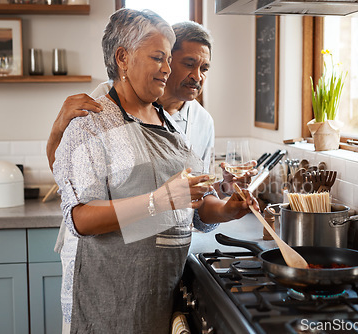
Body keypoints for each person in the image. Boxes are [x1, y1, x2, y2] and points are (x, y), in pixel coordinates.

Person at [52, 8, 258, 334]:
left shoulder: (170, 123)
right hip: (111, 294)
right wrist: (159, 199)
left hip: (160, 292)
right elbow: (80, 218)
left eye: (168, 59)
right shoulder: (93, 116)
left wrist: (230, 208)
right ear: (123, 58)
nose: (168, 68)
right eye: (159, 58)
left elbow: (193, 204)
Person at [46, 21, 256, 198]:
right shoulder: (105, 100)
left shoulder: (203, 122)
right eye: (189, 64)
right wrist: (58, 129)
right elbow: (66, 176)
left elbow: (194, 190)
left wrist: (224, 188)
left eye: (204, 68)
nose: (197, 76)